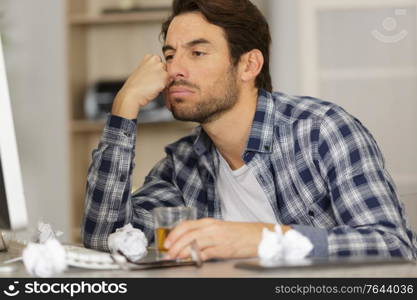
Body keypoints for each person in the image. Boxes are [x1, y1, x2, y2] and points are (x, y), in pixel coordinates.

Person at [82, 0, 417, 261]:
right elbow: (104, 237)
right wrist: (123, 106)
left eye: (197, 53)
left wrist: (261, 239)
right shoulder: (181, 166)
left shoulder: (322, 132)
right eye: (169, 55)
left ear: (249, 65)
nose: (175, 70)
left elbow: (393, 246)